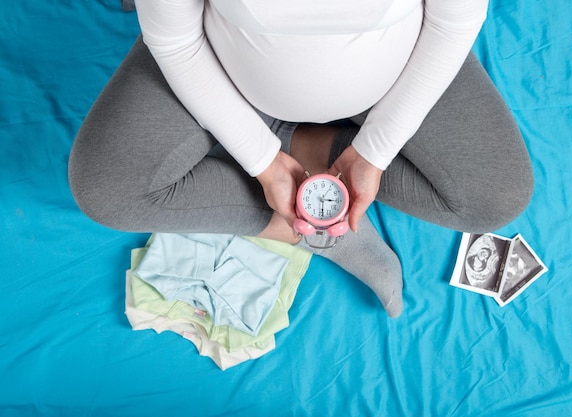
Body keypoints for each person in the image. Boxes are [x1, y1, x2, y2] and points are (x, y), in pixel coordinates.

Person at [68, 0, 534, 318]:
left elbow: (452, 22)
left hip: (394, 75)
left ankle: (320, 159)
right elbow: (175, 42)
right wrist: (261, 160)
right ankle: (305, 222)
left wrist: (374, 151)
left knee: (496, 194)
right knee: (107, 189)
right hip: (220, 68)